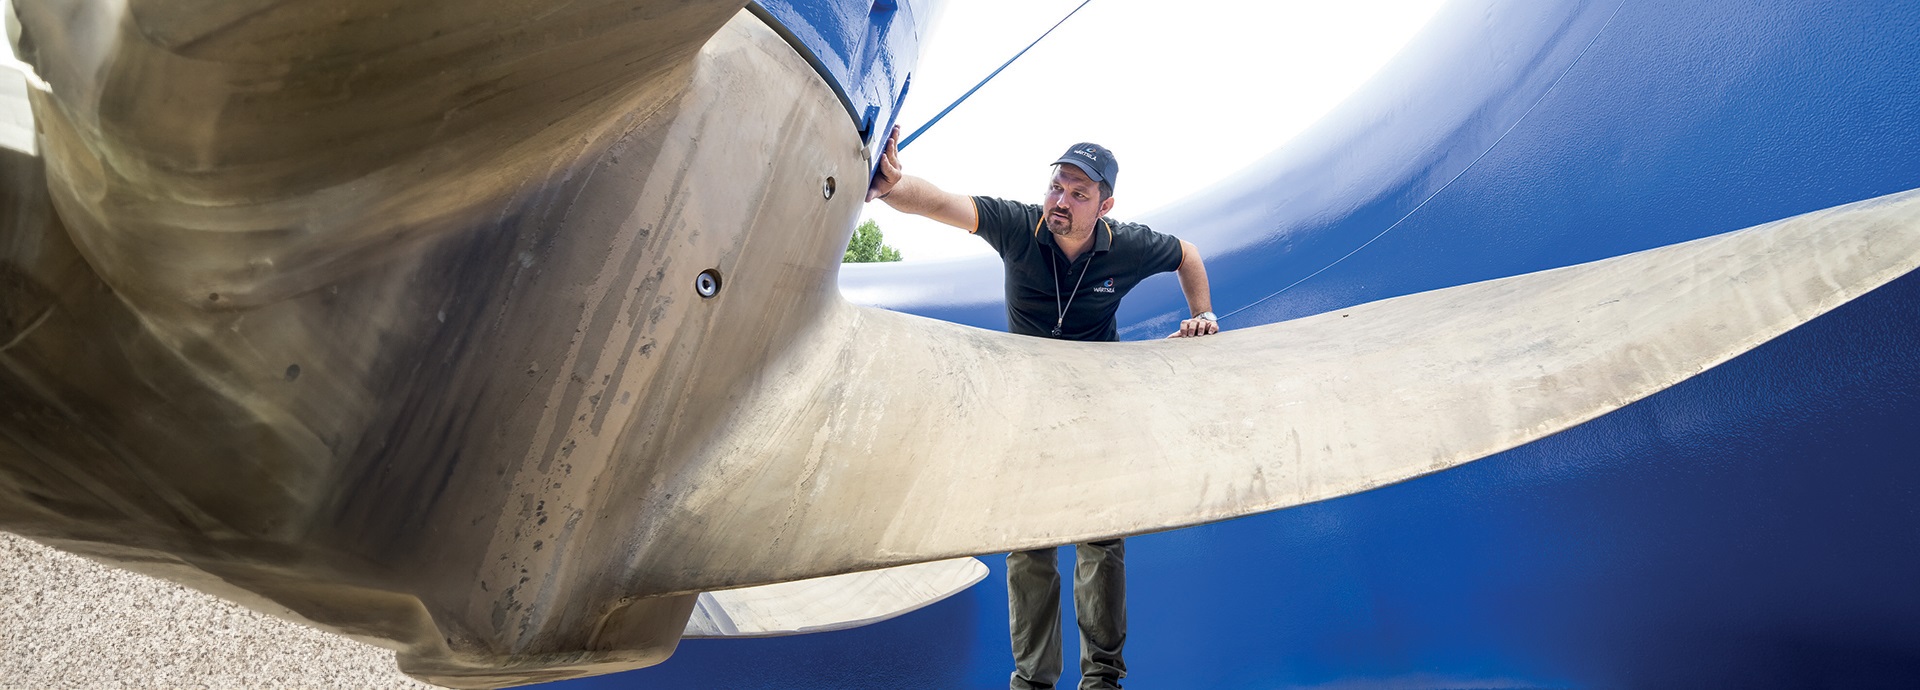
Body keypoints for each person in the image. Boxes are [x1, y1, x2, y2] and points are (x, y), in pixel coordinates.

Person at [865, 125, 1221, 690]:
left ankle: (1102, 678)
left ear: (1105, 206)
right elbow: (945, 204)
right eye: (1057, 186)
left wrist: (1202, 312)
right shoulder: (1018, 226)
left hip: (1096, 410)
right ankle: (1032, 682)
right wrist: (889, 187)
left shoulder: (1124, 245)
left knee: (1100, 542)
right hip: (1026, 411)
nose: (1061, 201)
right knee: (1029, 548)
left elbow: (1188, 254)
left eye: (1079, 195)